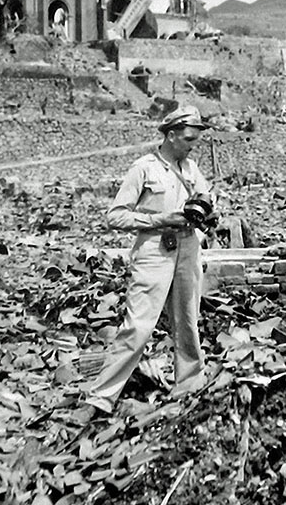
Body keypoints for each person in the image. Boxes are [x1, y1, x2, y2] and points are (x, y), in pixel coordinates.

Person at [79, 105, 214, 417]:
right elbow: (116, 216)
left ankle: (188, 385)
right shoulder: (144, 168)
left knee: (187, 321)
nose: (193, 145)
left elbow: (207, 199)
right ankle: (101, 397)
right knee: (138, 326)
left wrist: (208, 212)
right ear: (171, 135)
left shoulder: (191, 169)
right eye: (189, 139)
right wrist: (160, 219)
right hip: (155, 249)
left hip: (188, 247)